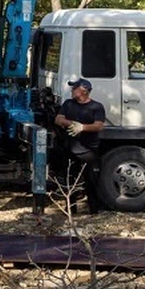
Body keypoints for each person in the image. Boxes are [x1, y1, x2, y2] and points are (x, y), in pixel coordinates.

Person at [54, 78, 106, 214]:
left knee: (92, 180)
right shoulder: (68, 104)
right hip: (70, 148)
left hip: (89, 150)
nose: (71, 90)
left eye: (74, 88)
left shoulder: (96, 107)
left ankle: (94, 210)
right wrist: (71, 124)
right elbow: (58, 119)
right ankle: (71, 210)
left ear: (83, 91)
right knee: (69, 179)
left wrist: (82, 127)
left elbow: (99, 125)